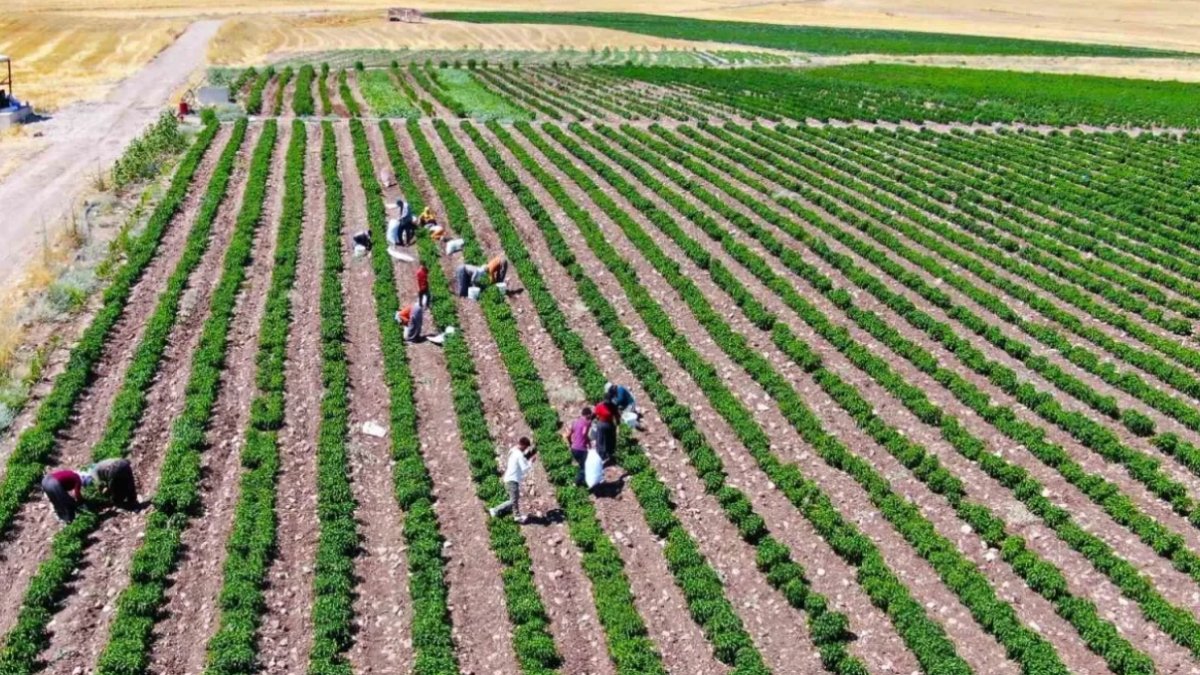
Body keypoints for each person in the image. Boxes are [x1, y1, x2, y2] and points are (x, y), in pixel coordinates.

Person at [490, 438, 536, 523]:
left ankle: (515, 515)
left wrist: (529, 455)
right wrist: (531, 462)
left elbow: (522, 460)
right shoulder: (519, 454)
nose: (526, 449)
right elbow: (525, 468)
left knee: (515, 498)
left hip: (510, 478)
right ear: (522, 445)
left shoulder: (513, 450)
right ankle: (496, 511)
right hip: (512, 479)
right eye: (525, 447)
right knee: (513, 500)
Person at [564, 407, 594, 486]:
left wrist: (571, 443)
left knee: (582, 465)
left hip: (574, 449)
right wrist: (589, 444)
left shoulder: (575, 422)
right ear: (587, 415)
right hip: (581, 450)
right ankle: (576, 483)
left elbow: (567, 436)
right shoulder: (586, 423)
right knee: (585, 467)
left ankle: (582, 481)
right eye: (589, 415)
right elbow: (584, 434)